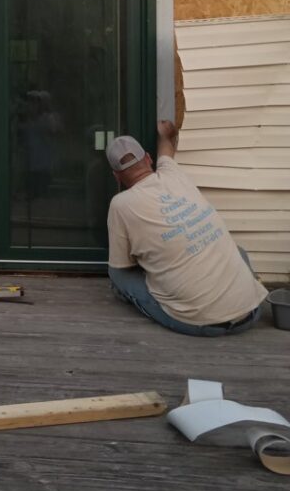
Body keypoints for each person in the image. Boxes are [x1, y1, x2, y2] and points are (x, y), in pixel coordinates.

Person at [105, 120, 267, 336]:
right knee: (238, 252)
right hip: (252, 311)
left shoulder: (121, 204)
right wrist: (165, 134)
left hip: (199, 323)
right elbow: (167, 150)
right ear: (149, 159)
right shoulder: (173, 174)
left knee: (119, 278)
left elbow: (121, 268)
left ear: (116, 175)